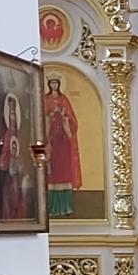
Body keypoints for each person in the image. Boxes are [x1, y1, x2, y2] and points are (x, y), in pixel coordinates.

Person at [44, 75, 81, 218]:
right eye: (51, 83)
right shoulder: (46, 100)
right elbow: (41, 119)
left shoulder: (64, 99)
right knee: (53, 174)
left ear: (59, 84)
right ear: (49, 84)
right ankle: (53, 207)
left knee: (65, 172)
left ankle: (66, 207)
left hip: (63, 142)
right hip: (51, 141)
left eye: (56, 83)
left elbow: (73, 121)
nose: (54, 85)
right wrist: (50, 115)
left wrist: (65, 116)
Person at [0, 93, 32, 221]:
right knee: (9, 199)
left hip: (17, 182)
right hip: (9, 182)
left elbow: (23, 169)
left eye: (13, 105)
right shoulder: (7, 134)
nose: (11, 107)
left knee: (18, 199)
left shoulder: (19, 156)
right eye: (9, 105)